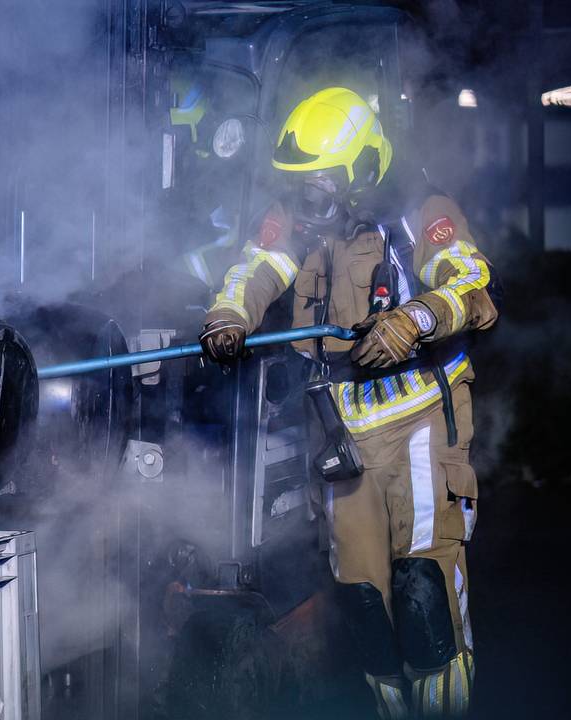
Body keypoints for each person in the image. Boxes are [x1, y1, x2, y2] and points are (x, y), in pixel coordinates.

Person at [199, 88, 496, 718]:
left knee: (423, 594)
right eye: (301, 185)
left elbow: (472, 283)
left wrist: (414, 319)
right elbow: (258, 265)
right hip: (340, 435)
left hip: (421, 425)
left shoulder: (421, 211)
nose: (308, 199)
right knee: (364, 604)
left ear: (362, 168)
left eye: (321, 183)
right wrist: (228, 315)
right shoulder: (304, 218)